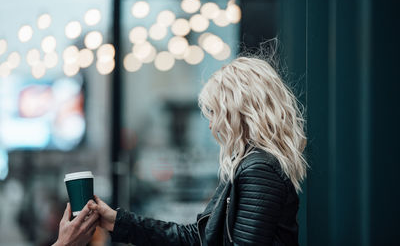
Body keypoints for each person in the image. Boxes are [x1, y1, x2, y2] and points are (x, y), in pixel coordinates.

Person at [54, 55, 308, 245]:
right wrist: (116, 221)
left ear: (236, 112)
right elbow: (198, 237)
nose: (211, 124)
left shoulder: (258, 169)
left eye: (213, 112)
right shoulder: (251, 165)